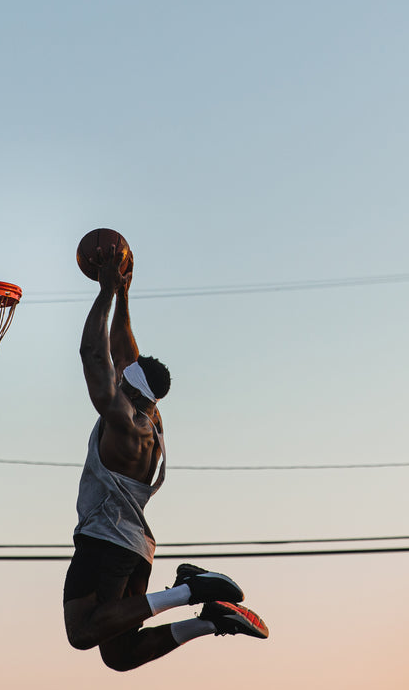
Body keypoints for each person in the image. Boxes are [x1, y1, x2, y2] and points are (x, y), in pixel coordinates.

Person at [63, 242, 269, 671]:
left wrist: (102, 294)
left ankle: (189, 593)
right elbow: (121, 349)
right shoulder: (149, 417)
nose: (118, 371)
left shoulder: (122, 420)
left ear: (130, 386)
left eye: (121, 375)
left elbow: (94, 355)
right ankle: (212, 621)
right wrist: (123, 293)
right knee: (118, 655)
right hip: (136, 548)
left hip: (106, 540)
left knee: (82, 631)